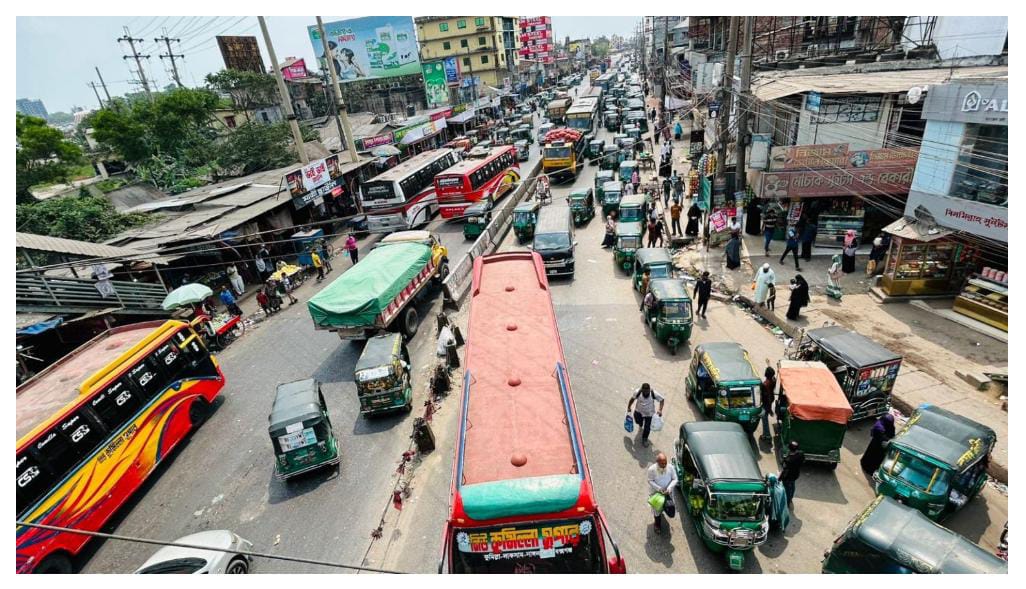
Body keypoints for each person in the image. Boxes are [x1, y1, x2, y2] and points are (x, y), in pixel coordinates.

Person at [647, 452, 678, 531]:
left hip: (668, 493)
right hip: (656, 494)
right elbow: (650, 481)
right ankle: (657, 525)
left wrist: (669, 488)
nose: (664, 465)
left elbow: (675, 479)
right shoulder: (651, 470)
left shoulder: (670, 467)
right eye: (662, 464)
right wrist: (659, 489)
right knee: (657, 511)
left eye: (665, 463)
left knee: (668, 507)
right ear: (657, 463)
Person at [627, 383, 665, 447]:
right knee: (637, 421)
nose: (645, 394)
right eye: (644, 392)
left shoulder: (653, 393)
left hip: (649, 414)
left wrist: (660, 410)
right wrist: (629, 407)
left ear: (649, 390)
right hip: (638, 412)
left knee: (647, 428)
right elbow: (632, 399)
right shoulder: (637, 392)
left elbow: (662, 400)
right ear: (641, 390)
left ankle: (645, 439)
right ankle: (640, 423)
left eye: (647, 392)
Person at [779, 440, 805, 505]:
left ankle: (787, 502)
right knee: (792, 486)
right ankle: (790, 499)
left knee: (787, 489)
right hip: (796, 474)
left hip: (788, 476)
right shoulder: (801, 454)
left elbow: (784, 467)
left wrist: (780, 477)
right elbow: (803, 461)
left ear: (789, 449)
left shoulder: (788, 460)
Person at [759, 367, 777, 441]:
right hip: (770, 401)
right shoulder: (774, 380)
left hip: (766, 403)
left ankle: (767, 436)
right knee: (764, 417)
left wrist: (769, 409)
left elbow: (768, 396)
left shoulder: (765, 385)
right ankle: (766, 434)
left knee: (764, 418)